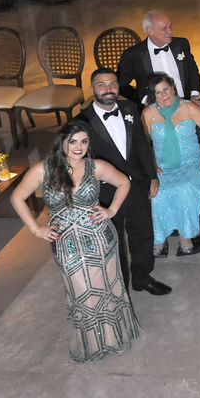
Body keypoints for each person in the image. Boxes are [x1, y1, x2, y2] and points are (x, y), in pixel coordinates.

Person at [10, 121, 141, 361]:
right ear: (62, 142)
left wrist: (111, 210)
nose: (79, 147)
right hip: (66, 244)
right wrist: (36, 229)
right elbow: (17, 198)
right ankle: (93, 344)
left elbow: (124, 182)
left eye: (84, 141)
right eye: (73, 142)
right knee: (81, 291)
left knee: (106, 288)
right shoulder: (42, 170)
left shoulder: (96, 166)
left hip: (100, 239)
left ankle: (112, 339)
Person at [75, 69, 171, 296]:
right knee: (113, 241)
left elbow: (141, 145)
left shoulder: (129, 108)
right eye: (101, 85)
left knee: (143, 233)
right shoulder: (81, 121)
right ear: (91, 89)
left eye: (113, 84)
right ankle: (120, 289)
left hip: (137, 182)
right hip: (106, 192)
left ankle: (142, 278)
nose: (108, 89)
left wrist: (152, 176)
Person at [142, 72, 200, 256]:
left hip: (191, 161)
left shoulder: (189, 108)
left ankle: (186, 236)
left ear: (173, 88)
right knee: (156, 193)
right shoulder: (148, 114)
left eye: (166, 89)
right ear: (153, 96)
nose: (164, 95)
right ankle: (159, 239)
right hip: (161, 165)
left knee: (184, 189)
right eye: (158, 92)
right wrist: (151, 165)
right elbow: (142, 145)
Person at [117, 9, 200, 107]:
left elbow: (193, 72)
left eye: (170, 26)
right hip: (155, 107)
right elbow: (121, 84)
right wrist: (144, 99)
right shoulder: (133, 54)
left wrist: (194, 96)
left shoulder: (181, 44)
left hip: (185, 103)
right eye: (164, 28)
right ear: (150, 31)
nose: (169, 31)